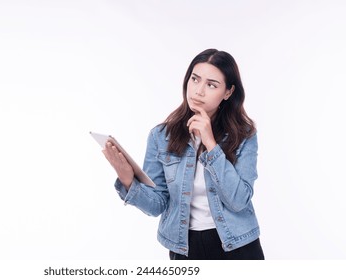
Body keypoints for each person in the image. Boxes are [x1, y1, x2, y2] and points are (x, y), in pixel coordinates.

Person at [102, 48, 264, 260]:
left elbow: (239, 200)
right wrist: (127, 180)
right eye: (195, 79)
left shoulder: (244, 135)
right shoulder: (161, 136)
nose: (198, 91)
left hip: (238, 245)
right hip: (185, 248)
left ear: (228, 92)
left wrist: (210, 144)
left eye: (211, 85)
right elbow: (157, 205)